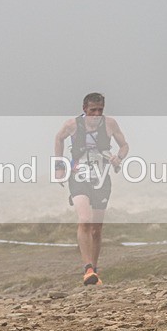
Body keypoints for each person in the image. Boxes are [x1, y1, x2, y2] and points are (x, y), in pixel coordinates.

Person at [54, 93, 129, 285]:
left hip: (102, 177)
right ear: (84, 109)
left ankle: (93, 271)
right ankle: (87, 268)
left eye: (100, 110)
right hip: (78, 176)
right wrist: (60, 166)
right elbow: (59, 138)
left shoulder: (110, 124)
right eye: (92, 110)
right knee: (85, 220)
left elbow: (124, 145)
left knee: (96, 228)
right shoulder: (72, 125)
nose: (96, 114)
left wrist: (118, 158)